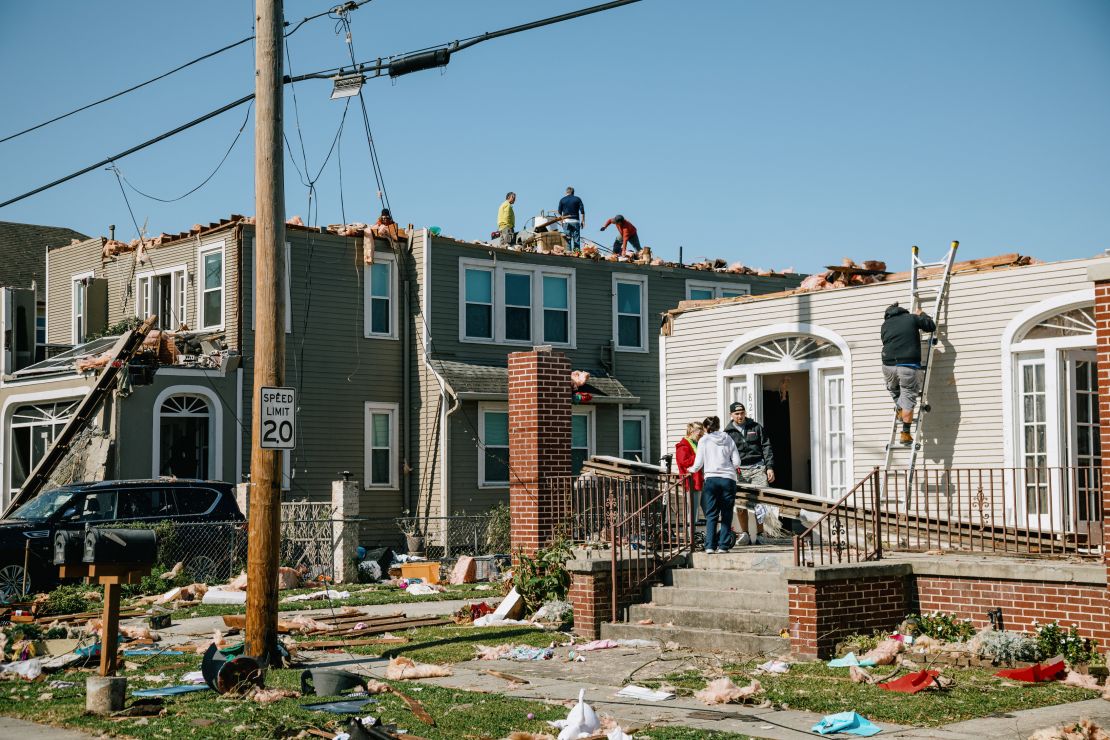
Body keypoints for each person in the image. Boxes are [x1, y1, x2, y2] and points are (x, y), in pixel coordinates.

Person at [881, 303, 937, 445]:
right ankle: (905, 433)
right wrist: (921, 315)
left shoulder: (885, 325)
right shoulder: (911, 318)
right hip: (908, 365)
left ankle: (899, 408)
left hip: (888, 364)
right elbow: (931, 326)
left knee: (893, 388)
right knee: (908, 396)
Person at [723, 401, 775, 545]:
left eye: (742, 413)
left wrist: (769, 467)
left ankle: (759, 534)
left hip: (758, 468)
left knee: (761, 502)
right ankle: (745, 533)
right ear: (731, 415)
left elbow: (766, 447)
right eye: (737, 414)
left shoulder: (756, 427)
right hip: (739, 472)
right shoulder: (727, 433)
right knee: (741, 503)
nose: (740, 416)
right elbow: (725, 454)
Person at [688, 415, 740, 554]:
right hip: (728, 479)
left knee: (711, 514)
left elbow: (698, 464)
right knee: (727, 514)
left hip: (711, 479)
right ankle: (723, 546)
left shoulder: (704, 440)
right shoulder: (728, 438)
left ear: (705, 428)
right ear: (718, 426)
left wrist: (690, 470)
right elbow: (736, 462)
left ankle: (710, 546)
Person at [675, 421, 705, 516]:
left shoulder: (698, 443)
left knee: (710, 509)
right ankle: (691, 531)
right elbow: (684, 462)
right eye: (698, 430)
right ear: (691, 431)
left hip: (703, 480)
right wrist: (699, 456)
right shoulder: (683, 446)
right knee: (693, 511)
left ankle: (713, 531)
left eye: (702, 430)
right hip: (692, 482)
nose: (701, 433)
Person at [557, 187, 585, 251]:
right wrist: (583, 221)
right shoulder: (577, 199)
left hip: (566, 221)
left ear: (566, 192)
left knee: (567, 239)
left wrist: (561, 221)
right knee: (576, 239)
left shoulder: (562, 200)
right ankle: (576, 253)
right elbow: (582, 211)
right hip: (575, 221)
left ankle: (569, 253)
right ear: (573, 192)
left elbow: (559, 212)